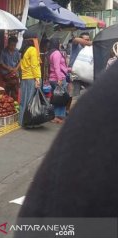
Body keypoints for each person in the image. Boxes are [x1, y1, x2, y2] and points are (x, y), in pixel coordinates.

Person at [16, 60, 118, 221]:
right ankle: (50, 117)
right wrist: (54, 76)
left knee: (57, 100)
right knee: (56, 99)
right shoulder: (109, 93)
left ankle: (52, 116)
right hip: (44, 77)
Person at [19, 31, 41, 126]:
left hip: (24, 77)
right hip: (31, 77)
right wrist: (37, 79)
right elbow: (34, 66)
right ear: (32, 40)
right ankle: (28, 122)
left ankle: (22, 120)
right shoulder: (32, 50)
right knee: (30, 100)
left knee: (24, 100)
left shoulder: (24, 50)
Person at [48, 38, 69, 124]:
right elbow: (57, 67)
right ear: (56, 43)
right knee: (61, 98)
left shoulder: (51, 53)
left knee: (56, 97)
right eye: (59, 43)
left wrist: (69, 69)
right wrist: (59, 79)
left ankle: (55, 116)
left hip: (54, 78)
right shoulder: (56, 53)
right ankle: (58, 117)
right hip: (58, 78)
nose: (60, 45)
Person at [69, 32, 92, 97]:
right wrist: (88, 43)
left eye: (88, 40)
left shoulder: (90, 48)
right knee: (75, 94)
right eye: (85, 40)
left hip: (86, 73)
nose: (86, 42)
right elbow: (75, 40)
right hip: (76, 74)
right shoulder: (76, 46)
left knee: (91, 91)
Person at [0, 36, 21, 100]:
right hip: (6, 74)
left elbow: (20, 61)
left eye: (14, 45)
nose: (13, 47)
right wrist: (8, 68)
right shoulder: (4, 51)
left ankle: (13, 102)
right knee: (6, 91)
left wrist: (16, 68)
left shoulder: (17, 51)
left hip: (14, 73)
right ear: (8, 44)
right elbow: (1, 63)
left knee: (15, 92)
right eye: (11, 45)